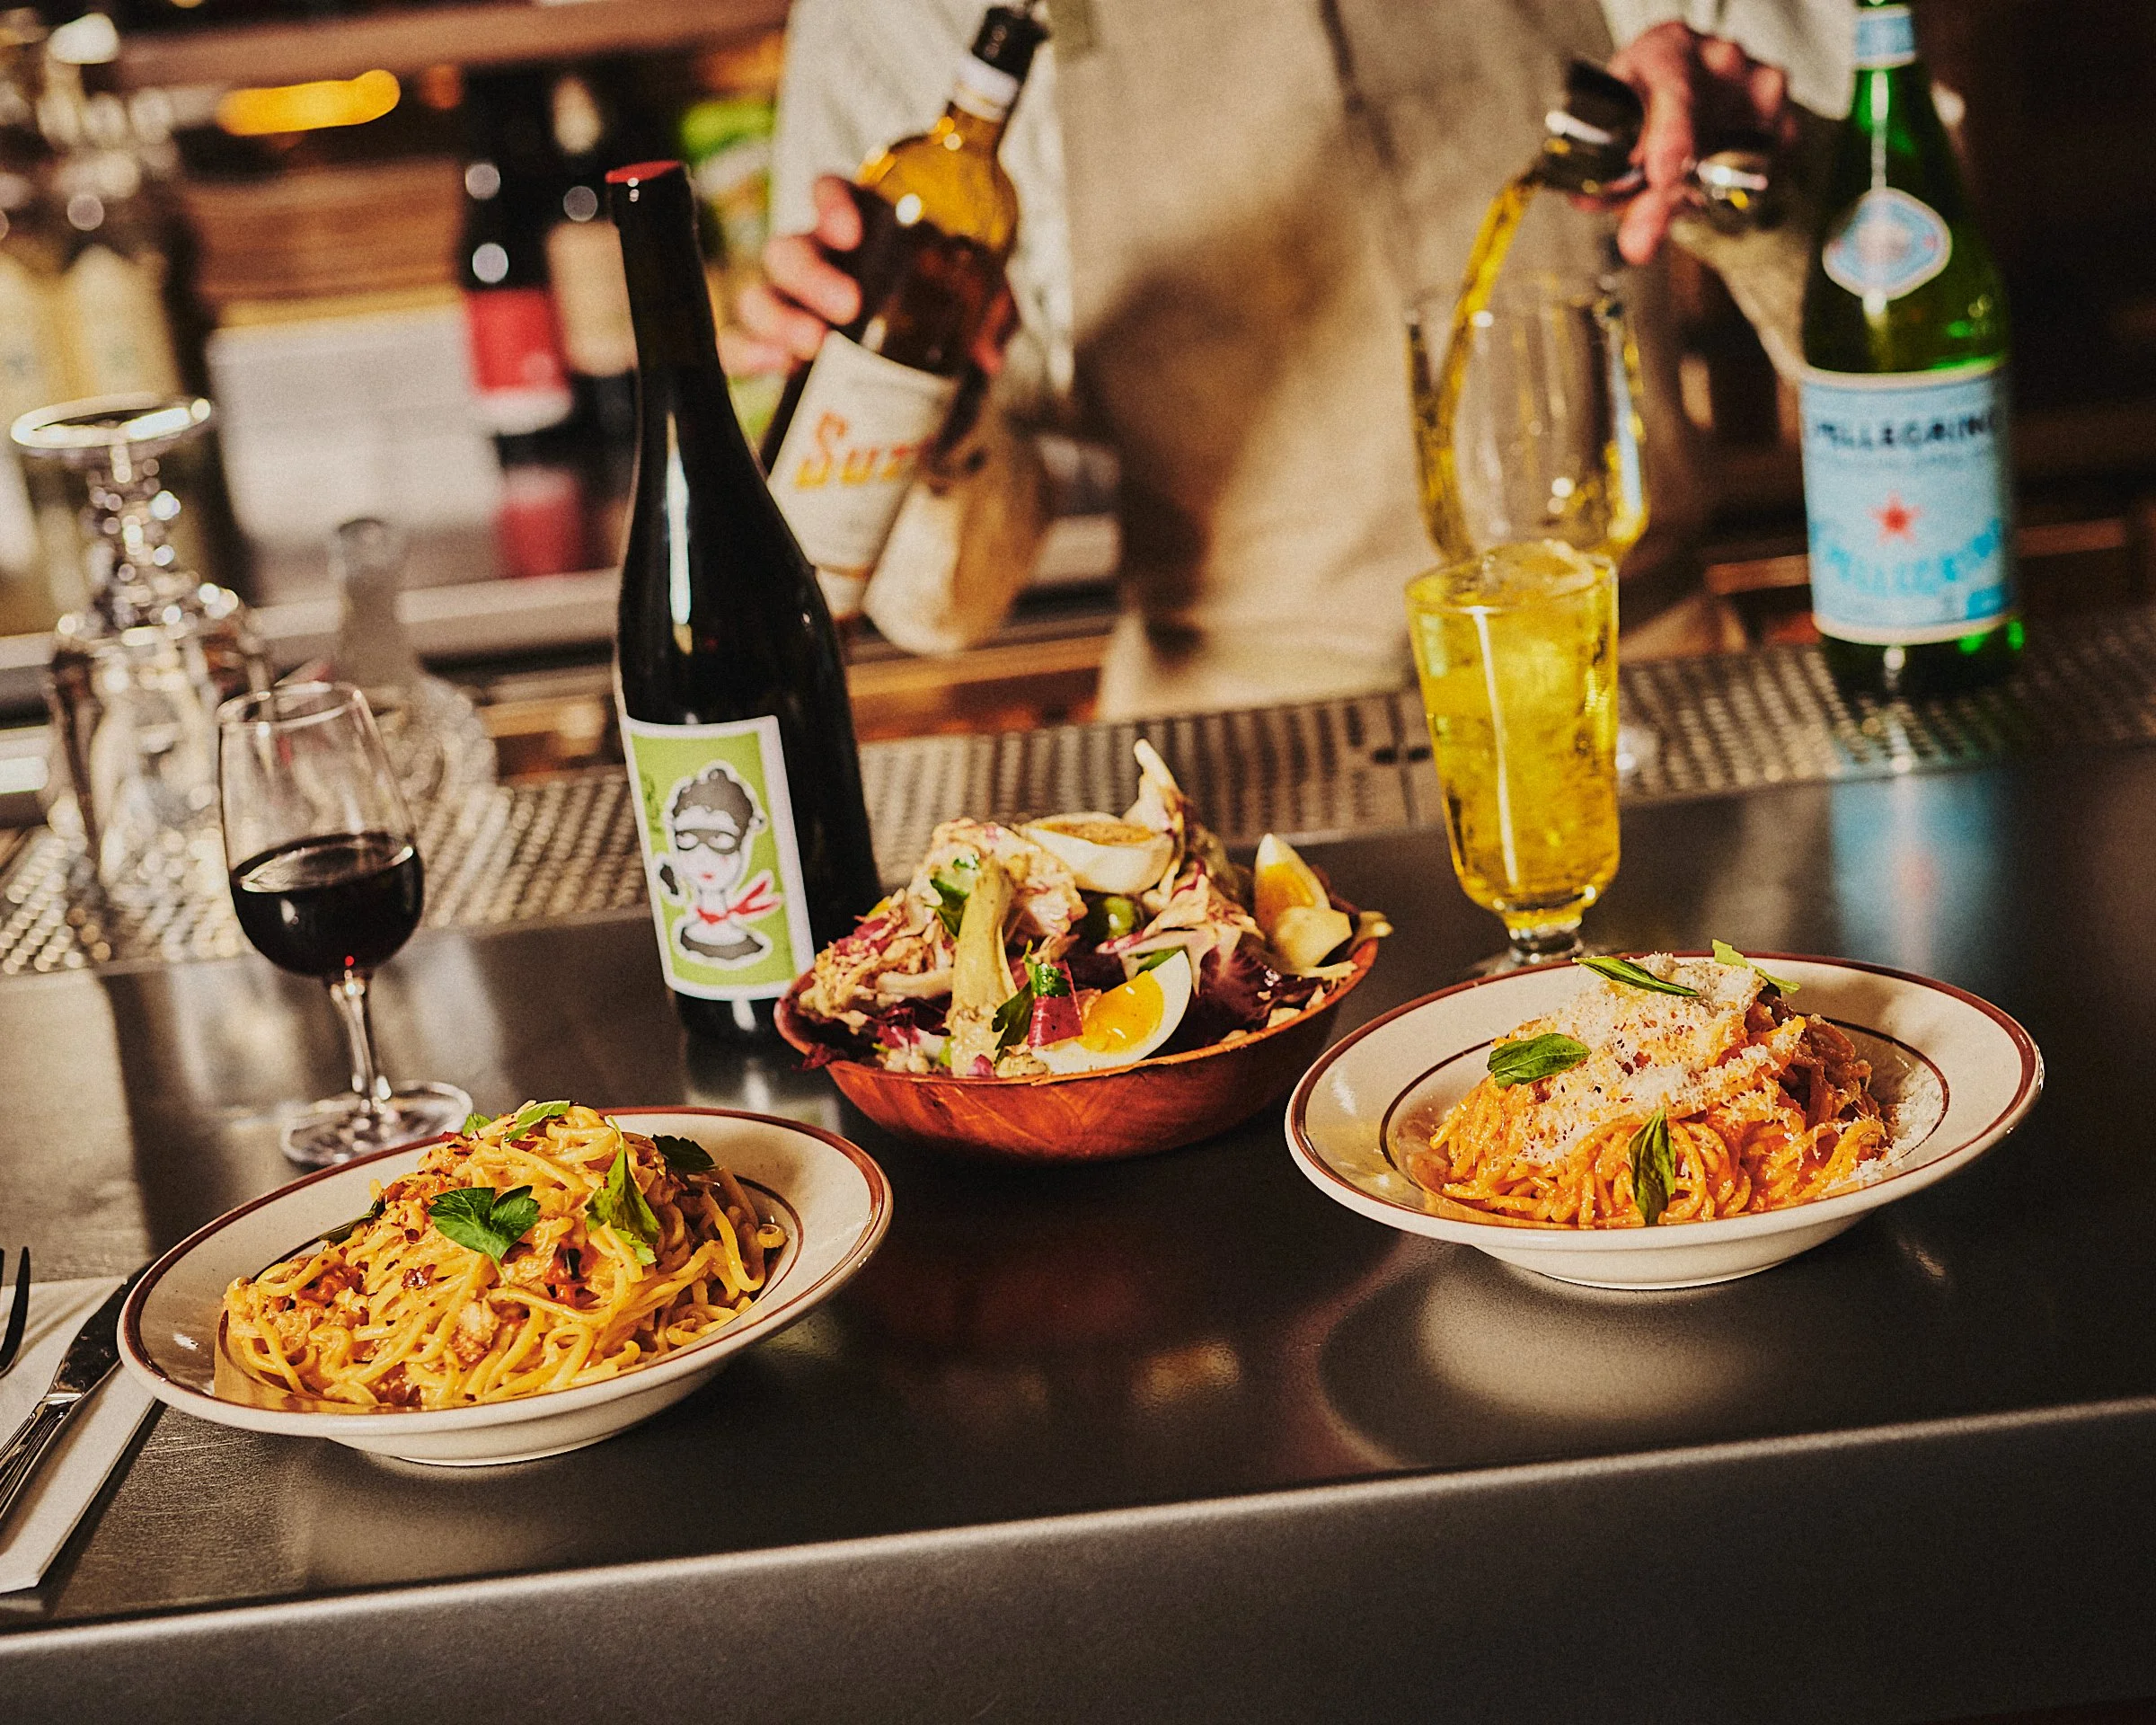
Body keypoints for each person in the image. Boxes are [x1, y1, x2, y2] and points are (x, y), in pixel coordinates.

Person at [728, 0, 1848, 719]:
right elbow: (942, 611)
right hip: (1239, 751)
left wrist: (1760, 173)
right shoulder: (903, 18)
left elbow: (1899, 289)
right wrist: (930, 411)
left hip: (1642, 691)